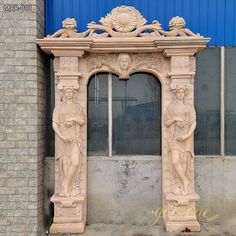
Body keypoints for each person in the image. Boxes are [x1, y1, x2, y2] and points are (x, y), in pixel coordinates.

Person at [52, 87, 85, 197]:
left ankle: (66, 184)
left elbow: (82, 121)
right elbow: (54, 124)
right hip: (63, 140)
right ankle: (68, 187)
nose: (69, 93)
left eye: (71, 91)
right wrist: (61, 136)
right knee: (65, 164)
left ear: (73, 93)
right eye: (67, 91)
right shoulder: (59, 107)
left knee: (75, 162)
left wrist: (73, 119)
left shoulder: (77, 107)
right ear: (64, 94)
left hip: (75, 138)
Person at [164, 85, 196, 195]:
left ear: (185, 94)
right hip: (175, 137)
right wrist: (175, 119)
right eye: (179, 92)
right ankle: (184, 181)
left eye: (182, 92)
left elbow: (193, 123)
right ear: (175, 94)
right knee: (175, 161)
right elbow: (166, 122)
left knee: (184, 163)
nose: (181, 94)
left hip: (186, 137)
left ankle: (183, 185)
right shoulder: (171, 107)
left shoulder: (189, 106)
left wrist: (187, 135)